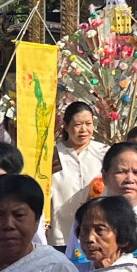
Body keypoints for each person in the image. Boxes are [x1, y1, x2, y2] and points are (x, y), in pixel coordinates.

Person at [49, 102, 107, 248]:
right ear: (66, 126)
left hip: (97, 237)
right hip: (61, 235)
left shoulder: (104, 152)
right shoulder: (53, 154)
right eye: (77, 124)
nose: (84, 130)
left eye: (88, 123)